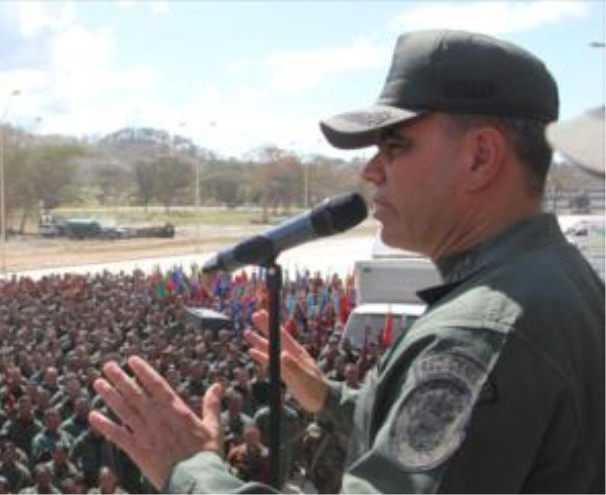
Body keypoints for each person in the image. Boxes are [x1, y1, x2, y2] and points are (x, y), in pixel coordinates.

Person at [88, 29, 606, 494]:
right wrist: (333, 398)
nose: (371, 170)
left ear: (480, 157)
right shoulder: (555, 276)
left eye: (395, 146)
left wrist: (191, 472)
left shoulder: (479, 333)